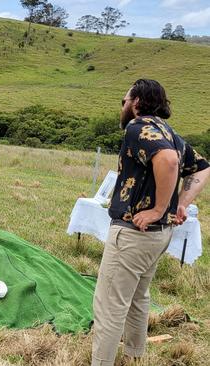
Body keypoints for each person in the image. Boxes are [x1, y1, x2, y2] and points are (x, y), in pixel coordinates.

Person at [92, 79, 210, 365]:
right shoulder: (169, 132)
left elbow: (169, 161)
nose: (121, 107)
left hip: (135, 232)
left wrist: (159, 208)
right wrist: (180, 203)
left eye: (124, 101)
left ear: (136, 103)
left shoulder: (138, 127)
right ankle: (134, 355)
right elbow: (203, 166)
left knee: (110, 305)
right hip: (158, 236)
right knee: (137, 297)